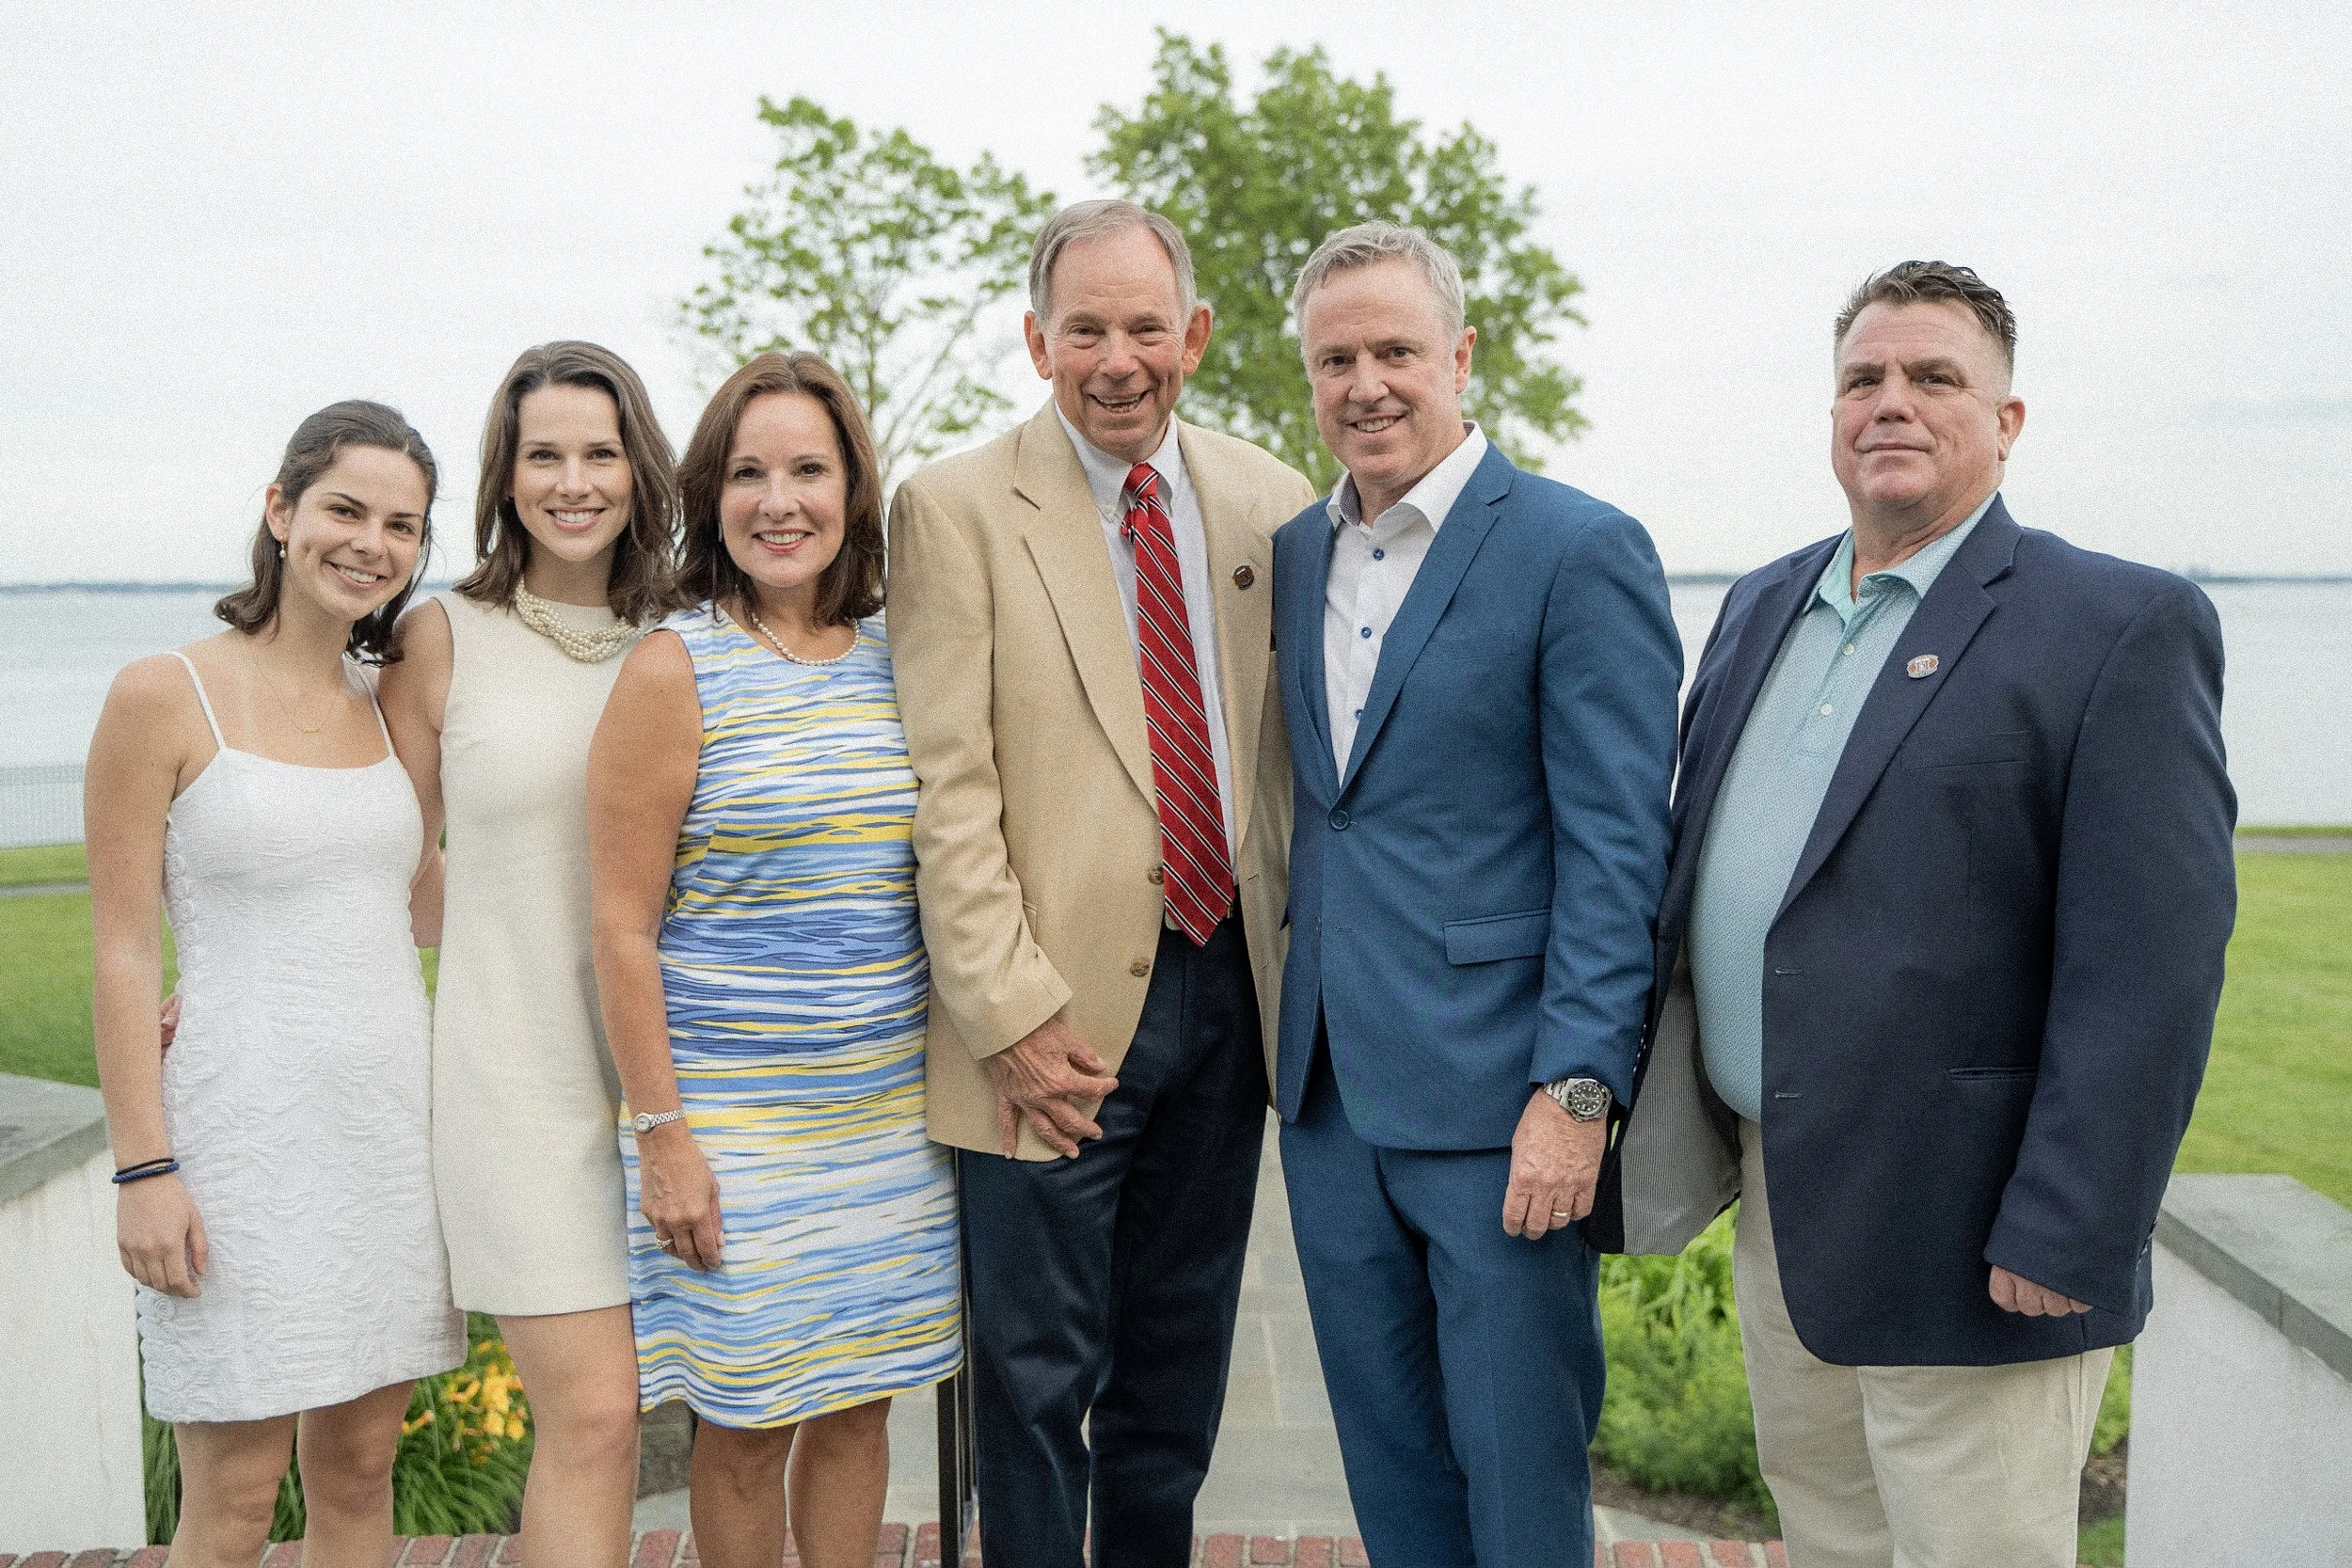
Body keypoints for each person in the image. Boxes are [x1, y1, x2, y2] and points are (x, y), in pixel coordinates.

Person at [1597, 261, 2236, 1568]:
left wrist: (2072, 1221)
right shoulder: (1761, 604)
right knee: (1830, 1535)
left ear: (2006, 421)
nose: (1892, 401)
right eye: (1863, 379)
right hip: (1786, 1193)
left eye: (1936, 376)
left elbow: (2149, 969)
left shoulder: (2117, 624)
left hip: (1977, 1228)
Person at [887, 198, 1314, 1566]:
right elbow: (946, 788)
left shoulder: (1271, 501)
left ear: (1193, 333)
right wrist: (1005, 1011)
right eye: (1085, 328)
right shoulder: (953, 508)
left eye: (1145, 326)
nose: (1116, 357)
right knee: (1031, 1377)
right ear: (1037, 339)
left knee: (1175, 1370)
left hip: (1226, 993)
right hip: (1044, 1017)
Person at [1269, 221, 1680, 1566]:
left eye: (1395, 349)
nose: (1366, 383)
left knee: (1517, 1478)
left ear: (1461, 354)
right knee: (1392, 1474)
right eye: (1338, 357)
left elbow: (1619, 851)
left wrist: (1576, 1093)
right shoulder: (1289, 556)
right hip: (1331, 1100)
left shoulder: (1577, 547)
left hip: (1503, 1106)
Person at [587, 351, 961, 1568]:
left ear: (854, 489)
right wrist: (664, 1136)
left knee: (858, 1408)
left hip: (888, 1126)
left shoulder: (897, 657)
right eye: (749, 472)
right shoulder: (673, 667)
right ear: (712, 493)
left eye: (808, 468)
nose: (779, 499)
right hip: (731, 1132)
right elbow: (620, 928)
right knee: (746, 1422)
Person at [87, 401, 464, 1568]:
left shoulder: (388, 703)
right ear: (279, 509)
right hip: (237, 1131)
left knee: (360, 1469)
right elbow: (120, 947)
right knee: (237, 1496)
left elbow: (429, 900)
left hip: (390, 1130)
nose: (371, 542)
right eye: (345, 508)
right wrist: (145, 1167)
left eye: (402, 524)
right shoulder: (164, 691)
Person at [377, 341, 680, 1567]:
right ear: (505, 475)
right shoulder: (441, 632)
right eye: (542, 453)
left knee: (722, 1411)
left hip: (681, 1081)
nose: (572, 479)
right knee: (598, 1414)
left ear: (635, 464)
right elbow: (383, 858)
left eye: (598, 451)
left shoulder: (691, 626)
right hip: (517, 1081)